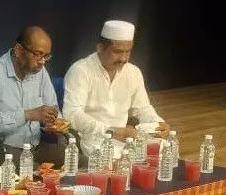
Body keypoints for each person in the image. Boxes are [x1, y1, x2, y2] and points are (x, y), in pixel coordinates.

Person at [63, 20, 171, 157]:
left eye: (128, 52)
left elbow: (142, 109)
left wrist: (157, 123)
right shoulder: (81, 70)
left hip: (127, 139)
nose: (123, 58)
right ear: (100, 48)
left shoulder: (133, 72)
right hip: (93, 140)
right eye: (118, 52)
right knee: (119, 160)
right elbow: (71, 114)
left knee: (166, 149)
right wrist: (112, 131)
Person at [0, 26, 65, 169]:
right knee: (40, 177)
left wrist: (53, 122)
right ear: (18, 50)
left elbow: (53, 108)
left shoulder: (39, 71)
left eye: (46, 56)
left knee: (78, 164)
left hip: (37, 146)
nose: (42, 62)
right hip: (7, 151)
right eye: (38, 54)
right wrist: (26, 115)